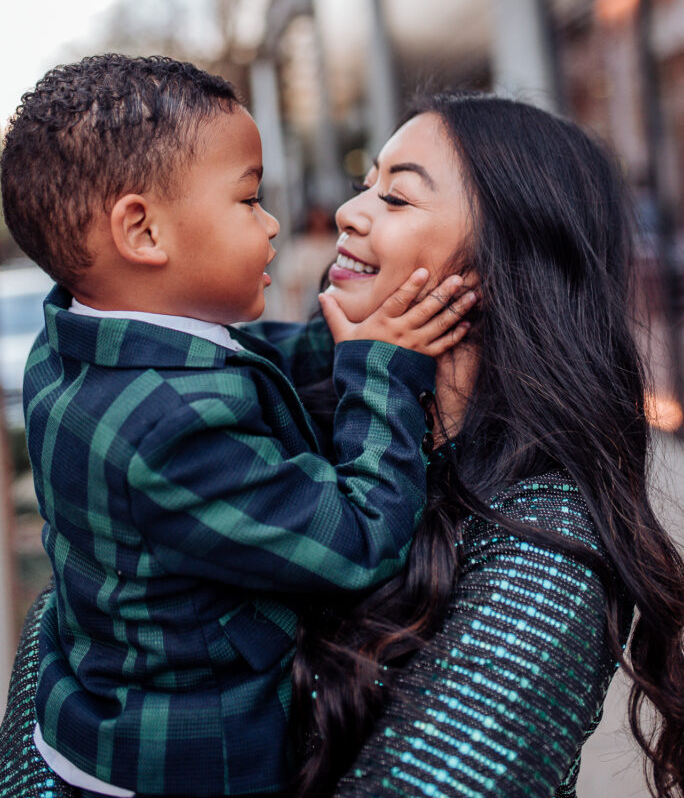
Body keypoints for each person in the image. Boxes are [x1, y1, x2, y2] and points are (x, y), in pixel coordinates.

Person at [0, 56, 475, 798]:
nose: (273, 222)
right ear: (143, 230)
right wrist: (384, 373)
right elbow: (357, 540)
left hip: (100, 704)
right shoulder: (166, 430)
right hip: (195, 759)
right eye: (249, 201)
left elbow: (256, 359)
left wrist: (360, 338)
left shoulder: (87, 344)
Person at [285, 92, 684, 798]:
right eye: (365, 185)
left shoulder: (548, 541)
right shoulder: (311, 413)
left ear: (500, 266)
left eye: (398, 198)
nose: (349, 212)